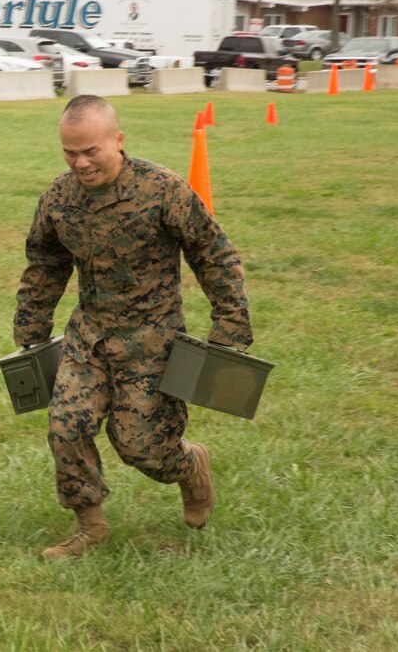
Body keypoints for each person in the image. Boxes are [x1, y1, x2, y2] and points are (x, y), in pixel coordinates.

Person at [13, 95, 252, 560]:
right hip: (90, 339)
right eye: (70, 152)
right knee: (66, 427)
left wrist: (230, 327)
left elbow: (213, 254)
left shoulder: (162, 190)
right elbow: (44, 263)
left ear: (117, 141)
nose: (80, 163)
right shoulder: (60, 199)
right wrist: (31, 326)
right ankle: (90, 525)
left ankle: (190, 466)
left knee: (141, 446)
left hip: (153, 343)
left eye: (91, 151)